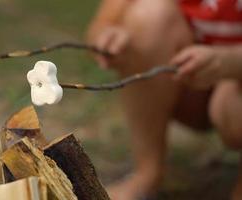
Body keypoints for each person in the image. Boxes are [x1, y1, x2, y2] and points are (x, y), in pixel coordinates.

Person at [87, 0, 242, 199]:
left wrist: (228, 62)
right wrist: (107, 38)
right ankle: (146, 173)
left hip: (235, 90)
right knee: (149, 15)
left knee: (233, 106)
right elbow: (101, 25)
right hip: (185, 81)